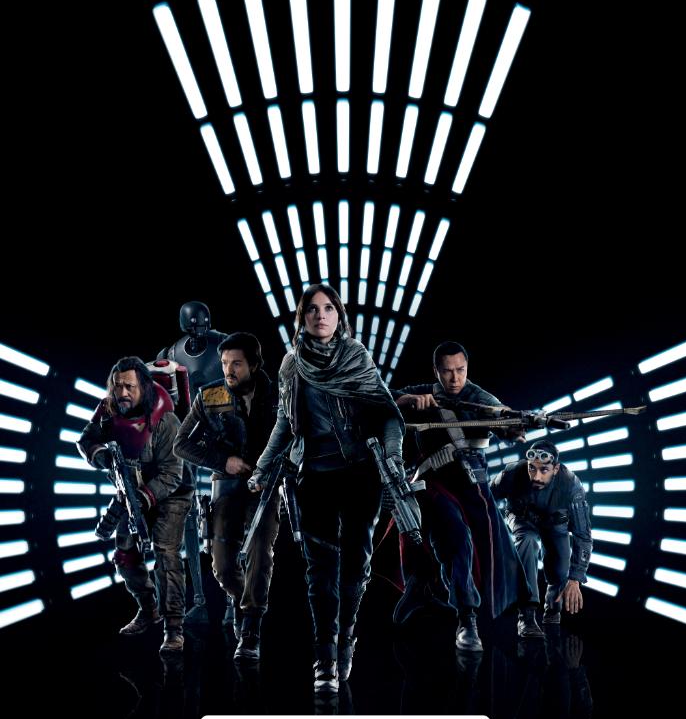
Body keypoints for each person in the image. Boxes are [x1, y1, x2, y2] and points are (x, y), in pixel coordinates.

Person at [250, 283, 405, 695]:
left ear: (339, 315)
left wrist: (392, 457)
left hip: (359, 473)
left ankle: (346, 636)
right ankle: (324, 655)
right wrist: (263, 467)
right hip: (312, 476)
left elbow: (388, 413)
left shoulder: (356, 357)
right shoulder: (291, 365)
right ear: (302, 318)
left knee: (356, 564)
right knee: (320, 570)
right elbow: (284, 424)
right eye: (313, 309)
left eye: (328, 308)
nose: (321, 315)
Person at [393, 341, 529, 652]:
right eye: (447, 371)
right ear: (436, 371)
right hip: (433, 485)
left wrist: (513, 425)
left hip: (472, 486)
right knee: (455, 538)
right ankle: (466, 618)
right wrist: (409, 400)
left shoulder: (477, 397)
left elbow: (500, 415)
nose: (455, 378)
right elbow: (382, 397)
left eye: (461, 370)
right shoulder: (424, 392)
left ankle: (525, 612)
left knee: (496, 545)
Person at [173, 332, 279, 661]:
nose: (228, 370)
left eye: (236, 363)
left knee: (260, 551)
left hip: (266, 485)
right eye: (224, 363)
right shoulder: (210, 396)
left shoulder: (279, 395)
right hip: (227, 483)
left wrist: (276, 468)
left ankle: (250, 629)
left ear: (254, 365)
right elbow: (181, 444)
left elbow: (297, 436)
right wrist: (223, 461)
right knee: (220, 563)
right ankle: (242, 601)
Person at [77, 357, 194, 652]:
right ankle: (148, 608)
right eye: (118, 386)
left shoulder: (165, 418)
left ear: (144, 386)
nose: (123, 393)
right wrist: (99, 454)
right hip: (130, 489)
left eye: (129, 386)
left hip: (171, 491)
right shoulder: (108, 410)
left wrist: (143, 498)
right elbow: (85, 440)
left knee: (165, 553)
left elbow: (172, 474)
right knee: (125, 554)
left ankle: (174, 628)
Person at [158, 301, 230, 627]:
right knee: (186, 515)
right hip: (186, 437)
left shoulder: (224, 345)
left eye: (203, 327)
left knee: (228, 515)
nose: (199, 334)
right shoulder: (172, 353)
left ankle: (231, 601)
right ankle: (199, 599)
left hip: (223, 433)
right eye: (195, 328)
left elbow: (242, 385)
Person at [491, 440, 592, 636]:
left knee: (561, 567)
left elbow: (583, 535)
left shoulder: (571, 485)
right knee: (528, 542)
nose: (536, 476)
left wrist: (575, 578)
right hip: (522, 519)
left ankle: (552, 610)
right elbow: (484, 498)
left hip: (555, 523)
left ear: (556, 469)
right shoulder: (512, 473)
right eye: (532, 468)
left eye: (544, 470)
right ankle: (527, 615)